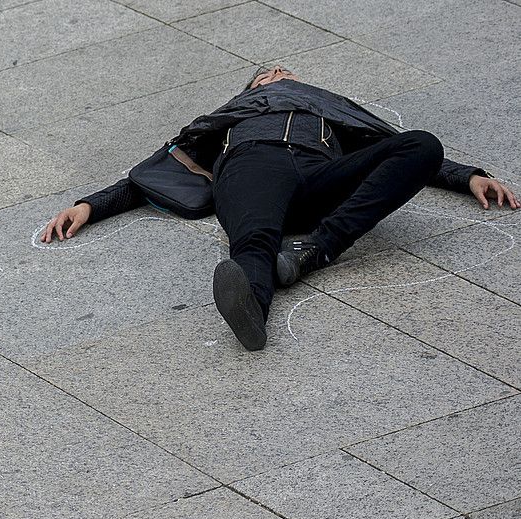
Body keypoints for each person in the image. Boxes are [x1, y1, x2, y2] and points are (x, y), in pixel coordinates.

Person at [40, 66, 515, 350]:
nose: (278, 76)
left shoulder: (334, 113)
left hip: (320, 177)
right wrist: (91, 205)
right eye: (266, 75)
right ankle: (252, 306)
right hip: (253, 168)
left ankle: (316, 250)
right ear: (250, 90)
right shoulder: (224, 122)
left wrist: (468, 175)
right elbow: (156, 171)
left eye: (285, 73)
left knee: (422, 144)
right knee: (252, 242)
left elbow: (393, 151)